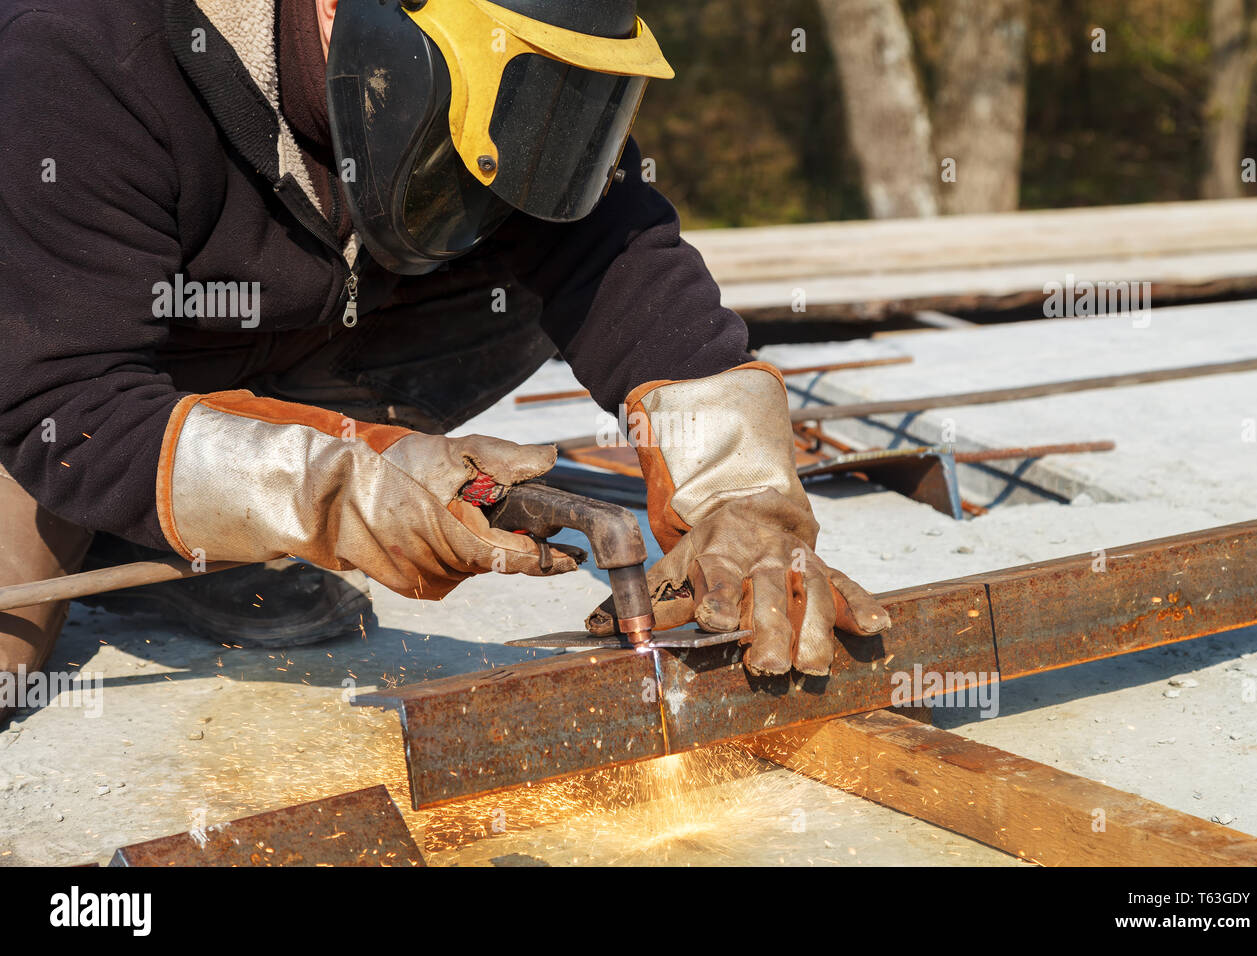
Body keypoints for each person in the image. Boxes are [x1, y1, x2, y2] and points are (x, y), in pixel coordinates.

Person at [0, 0, 890, 725]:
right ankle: (171, 510)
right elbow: (63, 399)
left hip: (259, 338)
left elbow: (618, 260)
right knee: (7, 667)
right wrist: (348, 490)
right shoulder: (83, 55)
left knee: (536, 263)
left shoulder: (509, 51)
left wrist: (740, 497)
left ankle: (210, 520)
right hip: (44, 374)